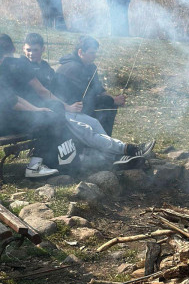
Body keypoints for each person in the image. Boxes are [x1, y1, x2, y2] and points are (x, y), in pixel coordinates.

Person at [20, 32, 154, 168]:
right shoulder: (22, 67)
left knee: (93, 123)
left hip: (56, 108)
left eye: (35, 50)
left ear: (43, 49)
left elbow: (55, 91)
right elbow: (42, 92)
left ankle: (114, 156)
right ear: (22, 49)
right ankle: (128, 149)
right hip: (42, 113)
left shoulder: (45, 67)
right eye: (28, 50)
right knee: (85, 129)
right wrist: (67, 106)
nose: (31, 53)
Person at [0, 35, 67, 178]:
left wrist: (37, 110)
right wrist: (37, 112)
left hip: (6, 118)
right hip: (3, 124)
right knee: (49, 119)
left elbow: (15, 98)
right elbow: (13, 103)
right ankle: (35, 166)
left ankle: (46, 160)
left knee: (49, 111)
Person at [56, 35, 126, 135]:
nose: (95, 56)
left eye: (95, 52)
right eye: (92, 53)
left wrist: (115, 98)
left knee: (109, 102)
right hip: (69, 107)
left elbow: (98, 89)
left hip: (83, 104)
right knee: (106, 103)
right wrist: (112, 100)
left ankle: (104, 138)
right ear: (80, 52)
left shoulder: (90, 66)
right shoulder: (72, 68)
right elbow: (85, 97)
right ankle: (100, 140)